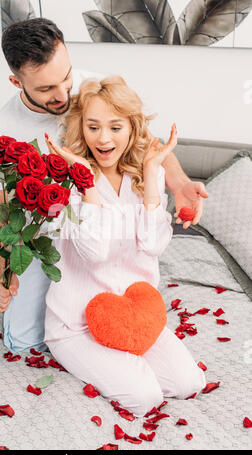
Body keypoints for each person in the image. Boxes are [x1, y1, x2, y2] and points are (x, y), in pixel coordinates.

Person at [0, 18, 208, 353]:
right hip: (46, 234)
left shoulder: (91, 85)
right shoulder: (2, 133)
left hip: (99, 222)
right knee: (23, 342)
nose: (64, 95)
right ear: (16, 81)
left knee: (113, 318)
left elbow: (144, 140)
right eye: (46, 89)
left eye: (65, 78)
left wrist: (179, 184)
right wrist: (5, 276)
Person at [42, 75, 206, 418]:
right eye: (93, 126)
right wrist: (87, 185)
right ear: (81, 128)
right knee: (143, 397)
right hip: (77, 325)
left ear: (132, 129)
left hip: (135, 314)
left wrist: (150, 176)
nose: (103, 138)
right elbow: (95, 252)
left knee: (189, 383)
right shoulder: (66, 181)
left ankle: (129, 360)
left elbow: (154, 245)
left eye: (115, 127)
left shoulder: (149, 173)